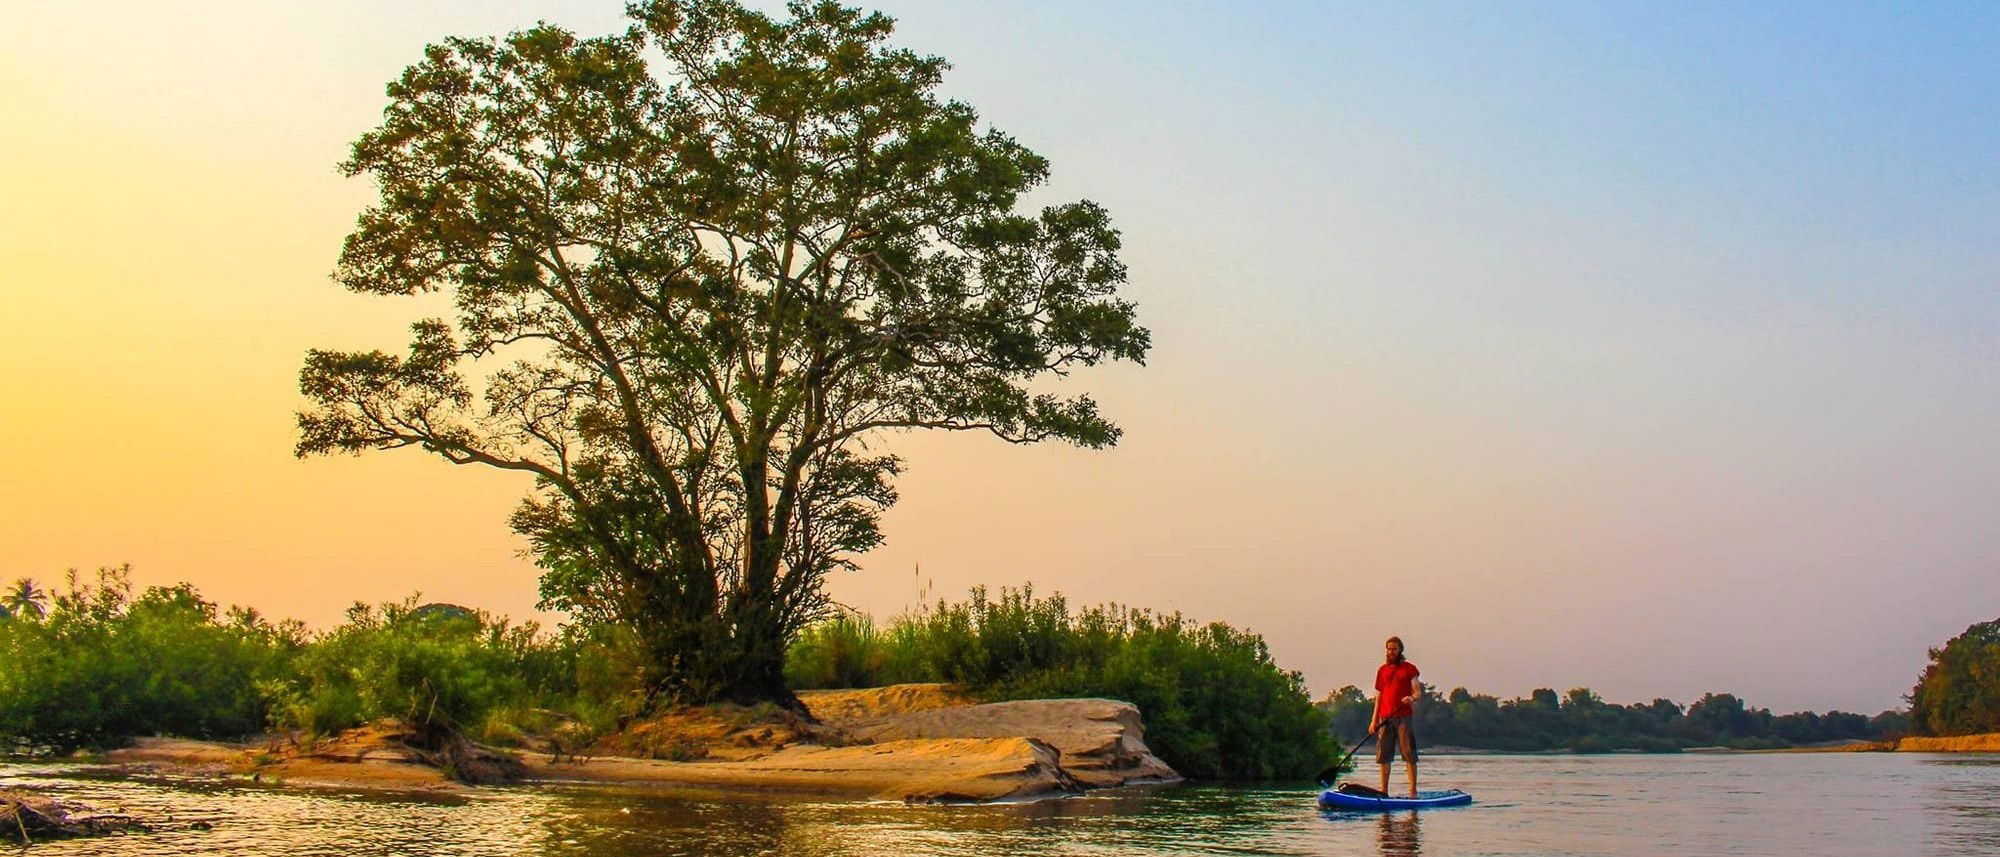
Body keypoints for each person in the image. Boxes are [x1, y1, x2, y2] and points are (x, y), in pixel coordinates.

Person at [1369, 635, 1422, 797]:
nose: (1391, 652)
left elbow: (1418, 692)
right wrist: (1374, 720)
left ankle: (1413, 791)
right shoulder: (1382, 670)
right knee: (1384, 755)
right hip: (1385, 718)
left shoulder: (1409, 669)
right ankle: (1384, 791)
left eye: (1394, 649)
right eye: (1388, 649)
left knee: (1408, 753)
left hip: (1403, 717)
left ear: (1400, 650)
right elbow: (1378, 697)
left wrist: (1411, 698)